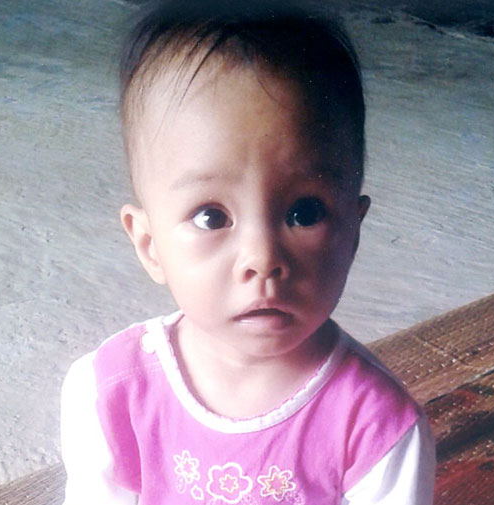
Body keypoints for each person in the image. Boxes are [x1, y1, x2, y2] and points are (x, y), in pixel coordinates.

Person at [60, 1, 436, 503]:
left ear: (353, 232)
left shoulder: (376, 430)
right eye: (211, 216)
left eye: (305, 212)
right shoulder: (113, 390)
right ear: (149, 244)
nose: (262, 257)